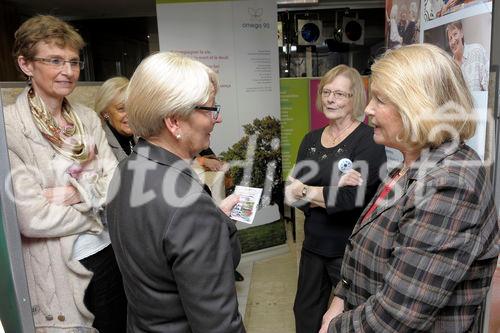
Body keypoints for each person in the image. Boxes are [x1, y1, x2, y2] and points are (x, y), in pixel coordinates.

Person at [320, 44, 499, 333]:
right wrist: (340, 299)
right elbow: (362, 252)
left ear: (418, 106)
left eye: (380, 99)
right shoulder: (409, 166)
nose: (367, 109)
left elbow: (397, 316)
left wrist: (334, 328)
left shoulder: (450, 185)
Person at [106, 52, 245, 333]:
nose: (215, 119)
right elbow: (217, 325)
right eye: (208, 109)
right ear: (174, 122)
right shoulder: (189, 207)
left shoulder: (127, 169)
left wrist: (211, 224)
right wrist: (207, 223)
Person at [6, 15, 126, 332]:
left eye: (74, 62)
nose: (68, 72)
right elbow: (31, 218)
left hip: (108, 254)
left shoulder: (87, 118)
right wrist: (93, 195)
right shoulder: (9, 129)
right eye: (55, 61)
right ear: (26, 64)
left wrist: (73, 194)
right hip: (60, 269)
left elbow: (115, 183)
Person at [286, 64, 386, 333]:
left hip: (350, 252)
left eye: (340, 94)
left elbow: (350, 199)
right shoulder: (310, 140)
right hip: (313, 246)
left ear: (355, 99)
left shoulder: (369, 141)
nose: (331, 99)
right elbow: (290, 194)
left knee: (348, 321)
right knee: (304, 315)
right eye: (327, 92)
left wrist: (308, 191)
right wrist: (326, 192)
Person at [94, 76, 135, 162]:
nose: (130, 114)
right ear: (105, 113)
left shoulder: (143, 135)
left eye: (132, 107)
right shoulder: (100, 145)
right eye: (121, 109)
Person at [446, 20, 489, 91]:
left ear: (462, 33)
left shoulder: (477, 51)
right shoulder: (449, 67)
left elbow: (489, 86)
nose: (453, 41)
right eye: (450, 38)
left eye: (455, 34)